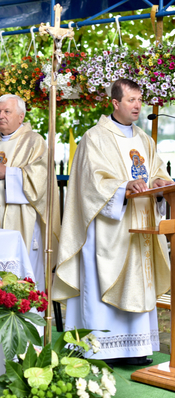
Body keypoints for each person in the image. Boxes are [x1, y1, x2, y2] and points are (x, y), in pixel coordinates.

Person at [52, 78, 173, 366]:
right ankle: (100, 348)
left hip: (141, 226)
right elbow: (89, 183)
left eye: (140, 99)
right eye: (131, 100)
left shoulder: (144, 139)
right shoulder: (95, 138)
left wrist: (159, 182)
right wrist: (123, 187)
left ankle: (136, 348)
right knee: (102, 282)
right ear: (115, 103)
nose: (138, 105)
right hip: (108, 230)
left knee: (138, 282)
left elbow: (158, 171)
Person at [0, 94, 60, 289]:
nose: (1, 116)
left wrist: (9, 173)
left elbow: (42, 179)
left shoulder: (34, 142)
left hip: (21, 222)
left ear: (21, 116)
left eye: (7, 111)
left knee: (18, 280)